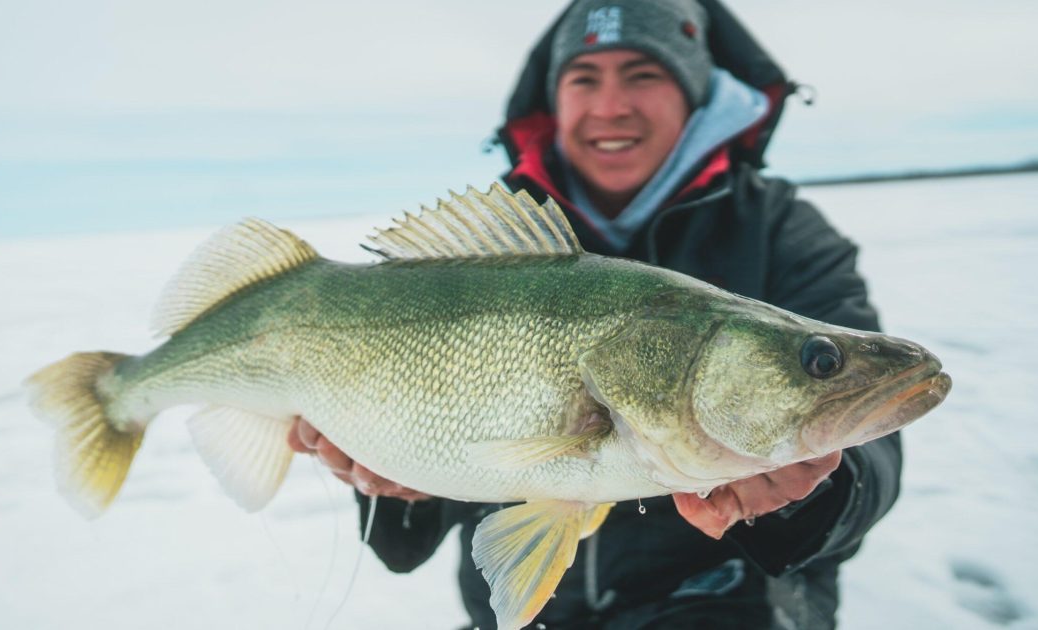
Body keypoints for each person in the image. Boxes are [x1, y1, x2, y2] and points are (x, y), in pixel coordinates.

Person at [288, 1, 901, 628]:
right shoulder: (483, 249)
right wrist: (391, 475)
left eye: (643, 74)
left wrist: (812, 492)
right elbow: (413, 529)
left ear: (694, 92)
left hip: (728, 605)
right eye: (584, 79)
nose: (611, 106)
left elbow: (875, 463)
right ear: (554, 98)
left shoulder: (779, 230)